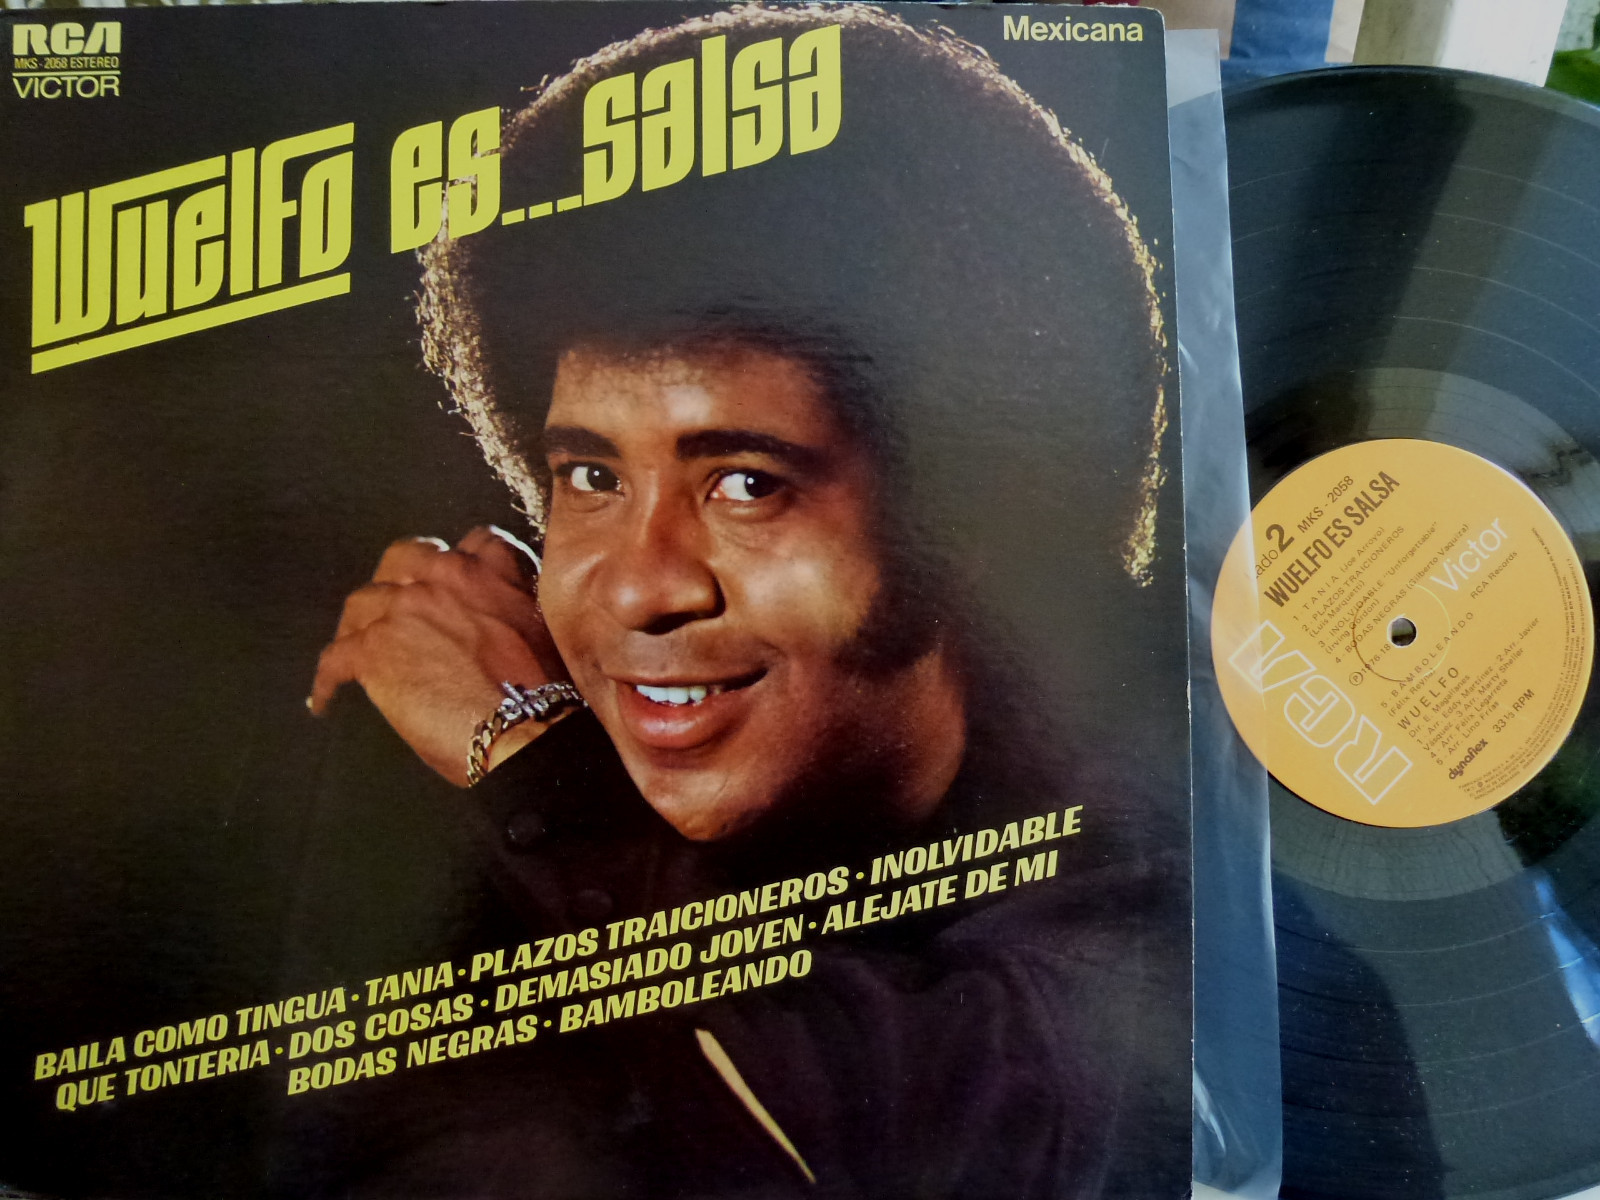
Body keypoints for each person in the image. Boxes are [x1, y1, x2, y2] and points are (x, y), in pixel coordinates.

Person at [297, 7, 1189, 1197]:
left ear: (975, 511)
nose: (639, 586)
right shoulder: (503, 767)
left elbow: (956, 1152)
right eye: (592, 478)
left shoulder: (1145, 809)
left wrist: (533, 764)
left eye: (747, 484)